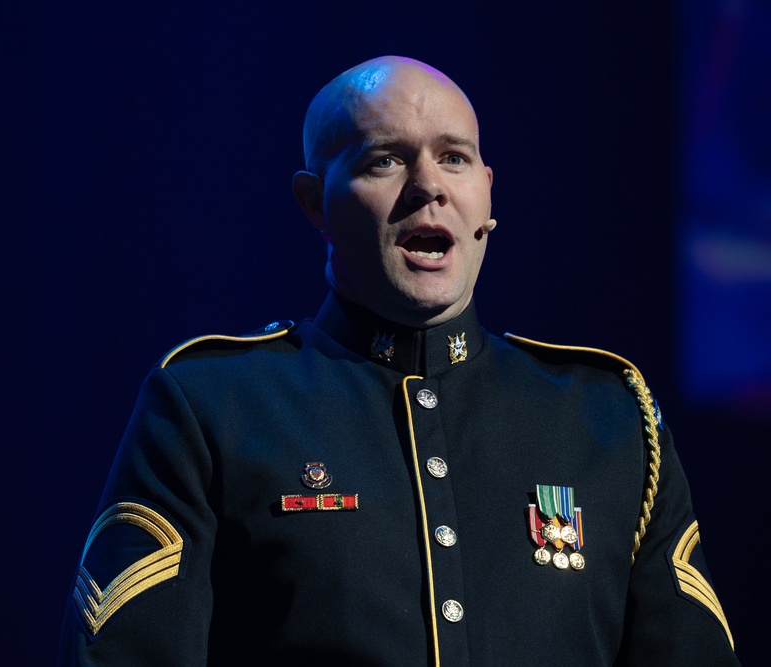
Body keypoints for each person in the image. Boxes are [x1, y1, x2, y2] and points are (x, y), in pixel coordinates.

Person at [58, 56, 738, 665]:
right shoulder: (214, 406)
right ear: (313, 202)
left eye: (455, 157)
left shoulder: (609, 418)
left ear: (488, 195)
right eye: (384, 159)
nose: (427, 186)